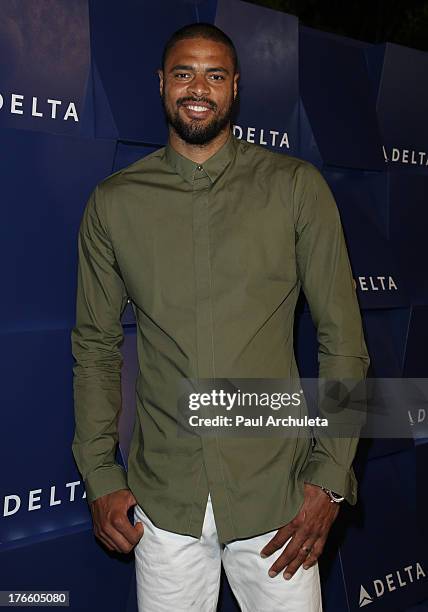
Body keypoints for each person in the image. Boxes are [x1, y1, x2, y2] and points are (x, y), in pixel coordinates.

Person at [71, 22, 370, 612]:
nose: (197, 88)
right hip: (163, 503)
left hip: (276, 499)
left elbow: (344, 343)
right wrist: (101, 474)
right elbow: (96, 347)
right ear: (162, 84)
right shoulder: (114, 203)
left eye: (214, 75)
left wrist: (331, 478)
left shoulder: (295, 188)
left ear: (235, 88)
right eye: (184, 73)